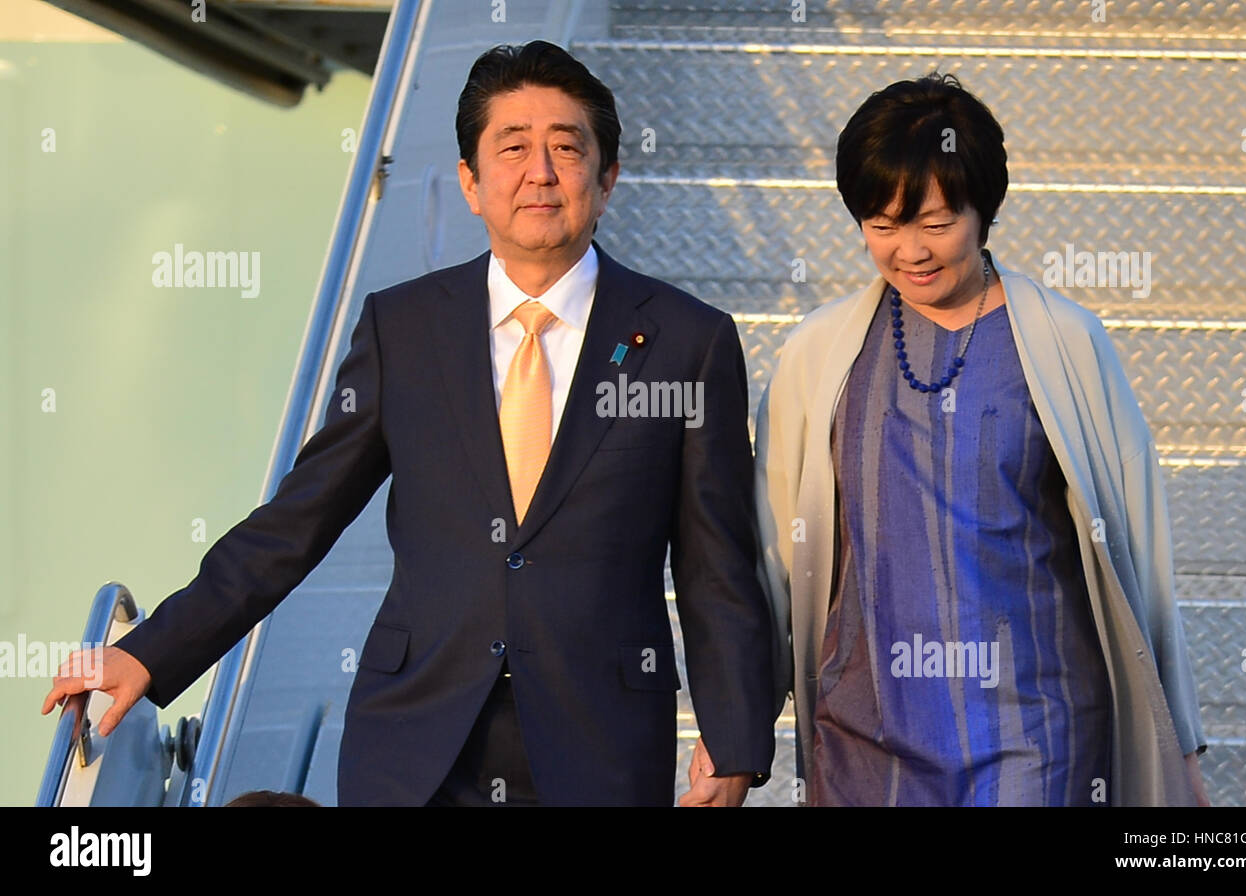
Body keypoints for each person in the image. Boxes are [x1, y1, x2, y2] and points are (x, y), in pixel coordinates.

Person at [43, 40, 775, 807]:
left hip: (601, 744)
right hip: (416, 743)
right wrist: (150, 653)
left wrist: (734, 740)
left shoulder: (688, 341)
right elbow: (299, 519)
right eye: (513, 148)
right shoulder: (404, 329)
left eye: (567, 148)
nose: (541, 172)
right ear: (470, 182)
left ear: (608, 176)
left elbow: (713, 563)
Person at [754, 72, 1209, 806]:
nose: (911, 251)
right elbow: (774, 559)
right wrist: (736, 734)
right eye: (883, 224)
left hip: (1035, 739)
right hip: (864, 743)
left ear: (983, 208)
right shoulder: (818, 355)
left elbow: (1138, 555)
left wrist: (1177, 745)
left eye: (936, 223)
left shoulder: (1065, 342)